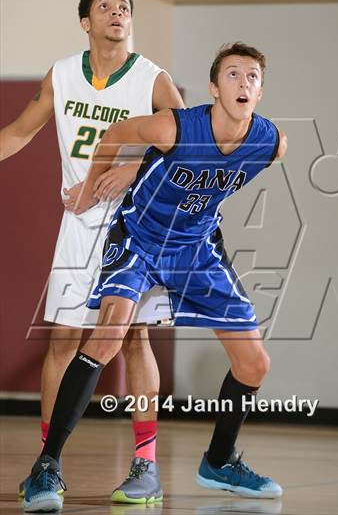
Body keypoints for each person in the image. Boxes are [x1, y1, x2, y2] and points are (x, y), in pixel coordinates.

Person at [22, 42, 288, 512]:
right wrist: (95, 183)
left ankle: (219, 462)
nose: (243, 83)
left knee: (255, 365)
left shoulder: (271, 143)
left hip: (196, 249)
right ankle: (46, 466)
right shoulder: (176, 126)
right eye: (232, 75)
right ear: (213, 87)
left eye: (251, 77)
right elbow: (115, 134)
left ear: (261, 91)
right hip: (140, 240)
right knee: (107, 338)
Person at [0, 0, 184, 508]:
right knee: (62, 342)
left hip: (139, 225)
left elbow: (186, 143)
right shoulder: (62, 74)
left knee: (135, 341)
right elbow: (17, 131)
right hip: (80, 226)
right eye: (106, 6)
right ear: (87, 21)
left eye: (125, 7)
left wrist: (128, 171)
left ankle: (145, 466)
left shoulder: (153, 79)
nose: (117, 13)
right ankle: (47, 466)